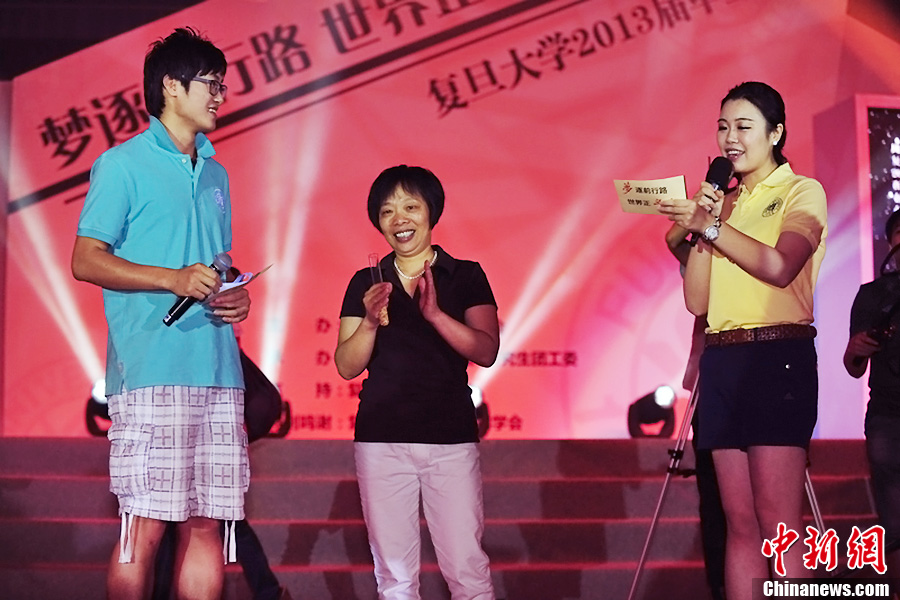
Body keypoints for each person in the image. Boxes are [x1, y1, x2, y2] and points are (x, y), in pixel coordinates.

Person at [71, 27, 251, 600]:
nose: (220, 95)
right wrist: (171, 278)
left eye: (222, 84)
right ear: (172, 86)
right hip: (151, 370)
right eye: (210, 84)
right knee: (143, 528)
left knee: (207, 525)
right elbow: (85, 259)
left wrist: (234, 295)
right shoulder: (121, 164)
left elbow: (217, 263)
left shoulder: (217, 174)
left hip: (218, 371)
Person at [658, 81, 827, 600]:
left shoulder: (801, 192)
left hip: (778, 357)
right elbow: (697, 301)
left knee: (780, 523)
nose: (730, 138)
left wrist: (711, 229)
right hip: (723, 361)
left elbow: (780, 267)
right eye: (723, 127)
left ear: (775, 133)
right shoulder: (725, 204)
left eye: (744, 126)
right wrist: (704, 223)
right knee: (740, 522)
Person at [335, 165, 499, 600]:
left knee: (466, 567)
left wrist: (436, 316)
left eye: (410, 207)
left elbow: (486, 350)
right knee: (395, 577)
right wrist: (370, 321)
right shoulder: (367, 282)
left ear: (431, 212)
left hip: (450, 438)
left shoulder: (464, 275)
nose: (399, 219)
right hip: (381, 439)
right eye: (387, 211)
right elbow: (346, 366)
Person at [664, 223, 727, 600]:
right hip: (711, 373)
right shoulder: (704, 245)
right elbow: (674, 242)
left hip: (758, 371)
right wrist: (695, 215)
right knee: (713, 490)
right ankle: (719, 583)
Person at [843, 209, 900, 589]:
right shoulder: (873, 295)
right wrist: (856, 348)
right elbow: (853, 366)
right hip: (888, 415)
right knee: (894, 518)